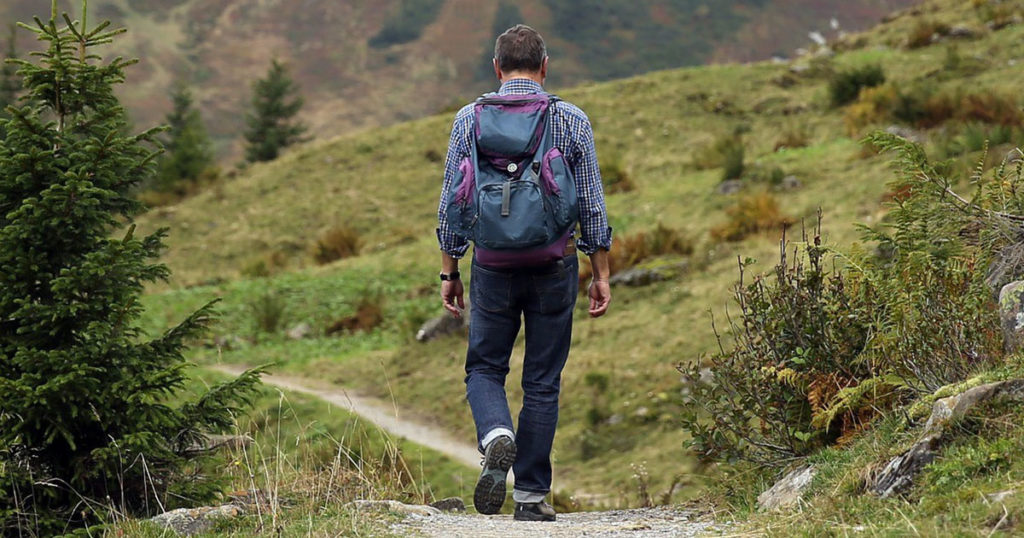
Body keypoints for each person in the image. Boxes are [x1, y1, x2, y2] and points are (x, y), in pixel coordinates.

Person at [435, 24, 612, 521]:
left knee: (485, 367)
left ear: (496, 68)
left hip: (491, 265)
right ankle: (531, 497)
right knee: (542, 380)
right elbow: (593, 205)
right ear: (544, 66)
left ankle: (496, 434)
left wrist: (450, 270)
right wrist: (600, 272)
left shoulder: (469, 119)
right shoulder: (570, 120)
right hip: (554, 264)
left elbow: (453, 200)